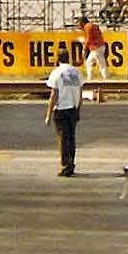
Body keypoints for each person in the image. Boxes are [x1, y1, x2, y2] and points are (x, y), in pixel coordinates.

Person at [44, 48, 83, 177]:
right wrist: (78, 109)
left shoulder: (56, 73)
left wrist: (48, 115)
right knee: (71, 137)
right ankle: (71, 163)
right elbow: (80, 92)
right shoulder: (76, 72)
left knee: (63, 138)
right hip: (73, 108)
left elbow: (54, 95)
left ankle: (66, 165)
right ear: (69, 58)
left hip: (61, 109)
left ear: (58, 59)